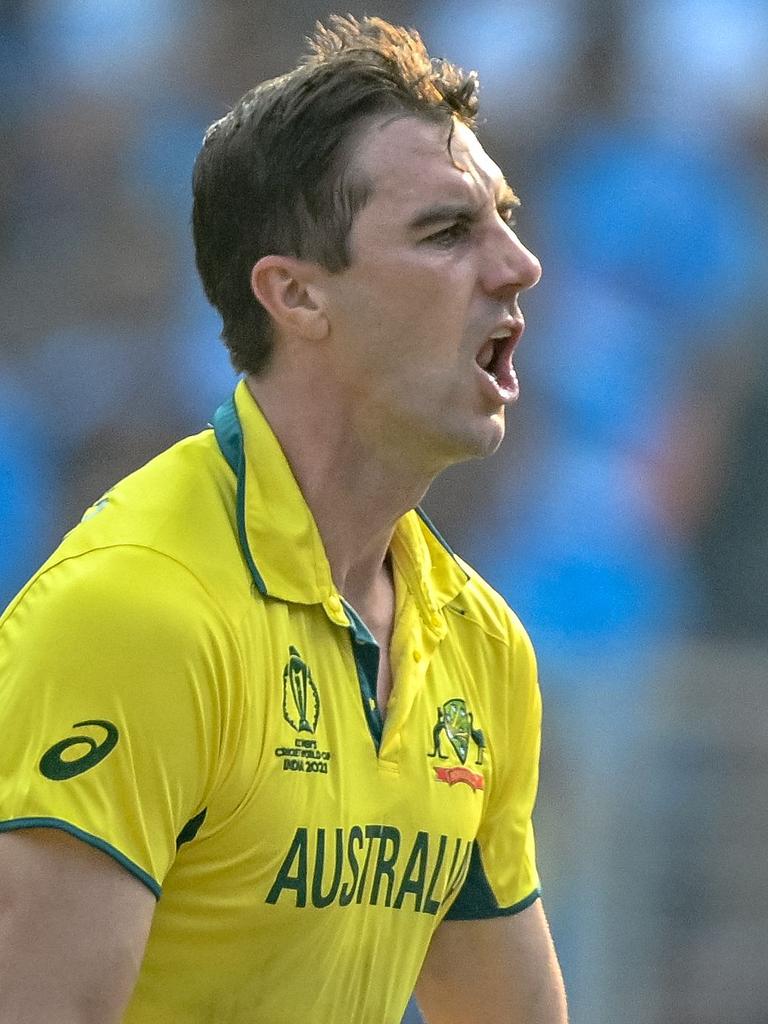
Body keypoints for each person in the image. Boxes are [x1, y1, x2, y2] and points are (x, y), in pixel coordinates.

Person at [0, 15, 567, 1024]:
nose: (518, 264)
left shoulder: (480, 648)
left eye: (506, 219)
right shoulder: (137, 613)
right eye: (448, 231)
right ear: (297, 295)